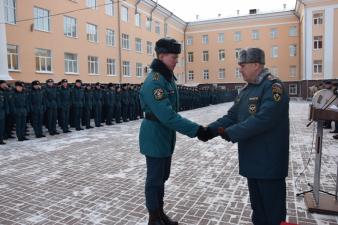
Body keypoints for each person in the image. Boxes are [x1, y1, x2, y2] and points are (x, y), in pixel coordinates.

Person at [200, 48, 290, 225]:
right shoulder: (246, 90)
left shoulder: (273, 87)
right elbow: (232, 116)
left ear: (256, 65)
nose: (240, 69)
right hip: (252, 160)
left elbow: (264, 119)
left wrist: (231, 133)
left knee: (273, 212)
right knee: (258, 210)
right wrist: (208, 131)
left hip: (269, 161)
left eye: (243, 65)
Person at [139, 37, 207, 225]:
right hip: (155, 135)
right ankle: (154, 218)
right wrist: (198, 130)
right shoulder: (154, 81)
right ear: (161, 56)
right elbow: (168, 115)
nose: (177, 60)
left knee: (162, 177)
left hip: (165, 134)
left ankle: (160, 214)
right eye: (173, 56)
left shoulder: (166, 78)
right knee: (154, 180)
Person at [0, 80, 9, 144]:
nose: (5, 85)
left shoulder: (4, 92)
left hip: (2, 111)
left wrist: (7, 110)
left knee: (2, 126)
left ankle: (1, 139)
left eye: (5, 84)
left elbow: (6, 102)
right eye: (4, 84)